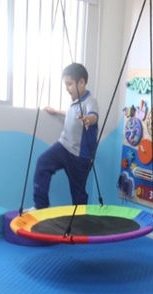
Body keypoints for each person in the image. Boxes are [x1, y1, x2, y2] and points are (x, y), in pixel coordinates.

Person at [33, 63, 99, 209]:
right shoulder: (74, 103)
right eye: (65, 84)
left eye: (69, 84)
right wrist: (56, 111)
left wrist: (88, 119)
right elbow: (71, 114)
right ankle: (41, 207)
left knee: (78, 193)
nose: (67, 88)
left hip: (80, 156)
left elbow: (93, 115)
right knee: (42, 163)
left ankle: (80, 221)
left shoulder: (90, 101)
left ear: (81, 82)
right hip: (63, 146)